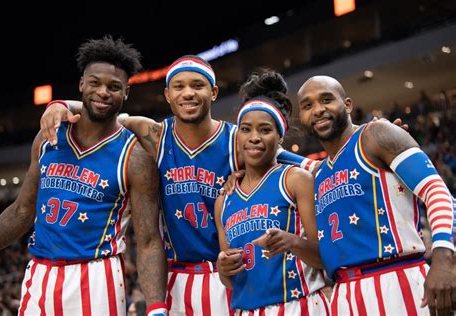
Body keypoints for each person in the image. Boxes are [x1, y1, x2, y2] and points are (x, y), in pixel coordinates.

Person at [40, 55, 316, 315]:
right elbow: (103, 109)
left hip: (229, 275)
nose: (188, 93)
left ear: (214, 93)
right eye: (179, 86)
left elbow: (310, 168)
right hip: (176, 279)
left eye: (198, 85)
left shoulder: (237, 139)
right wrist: (61, 104)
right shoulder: (155, 135)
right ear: (168, 95)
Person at [0, 35, 167, 315]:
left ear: (126, 93)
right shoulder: (47, 139)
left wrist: (155, 307)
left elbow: (149, 240)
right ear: (81, 84)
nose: (103, 92)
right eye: (95, 83)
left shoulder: (135, 156)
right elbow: (22, 211)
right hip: (41, 273)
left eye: (114, 87)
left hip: (96, 278)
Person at [296, 75, 455, 315]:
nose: (318, 110)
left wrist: (444, 257)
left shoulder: (376, 134)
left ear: (347, 105)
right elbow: (278, 156)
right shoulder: (318, 172)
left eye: (326, 100)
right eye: (307, 106)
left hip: (397, 281)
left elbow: (436, 190)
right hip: (344, 294)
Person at [215, 70, 330, 315]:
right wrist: (223, 268)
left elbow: (325, 257)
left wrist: (293, 242)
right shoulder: (224, 200)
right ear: (237, 136)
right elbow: (231, 280)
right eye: (246, 129)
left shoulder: (295, 179)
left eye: (265, 130)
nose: (254, 138)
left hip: (298, 304)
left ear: (279, 138)